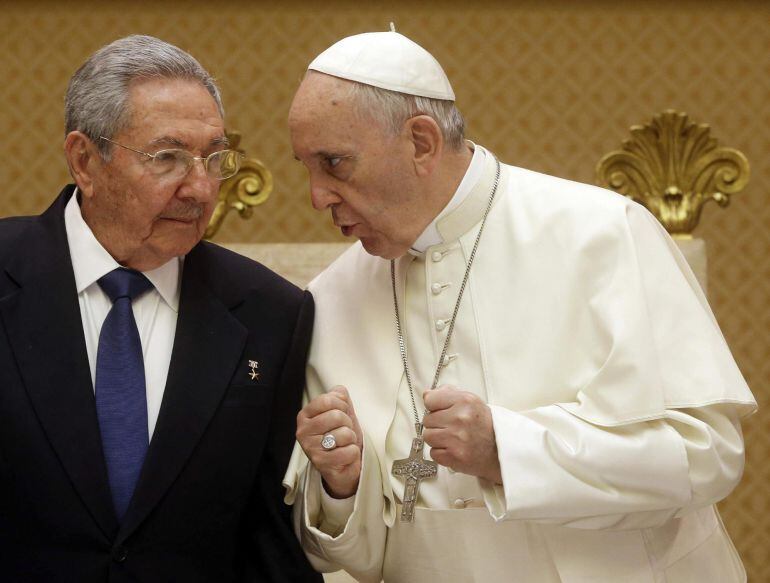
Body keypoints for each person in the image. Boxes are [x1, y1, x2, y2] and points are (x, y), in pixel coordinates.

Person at [283, 30, 757, 582]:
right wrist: (342, 486)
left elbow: (706, 455)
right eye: (306, 168)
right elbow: (363, 560)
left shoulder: (602, 234)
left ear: (421, 142)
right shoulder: (330, 297)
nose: (317, 195)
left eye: (335, 163)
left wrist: (504, 450)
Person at [0, 35, 321, 583]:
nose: (199, 187)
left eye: (214, 158)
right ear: (84, 160)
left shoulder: (271, 314)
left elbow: (269, 539)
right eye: (167, 157)